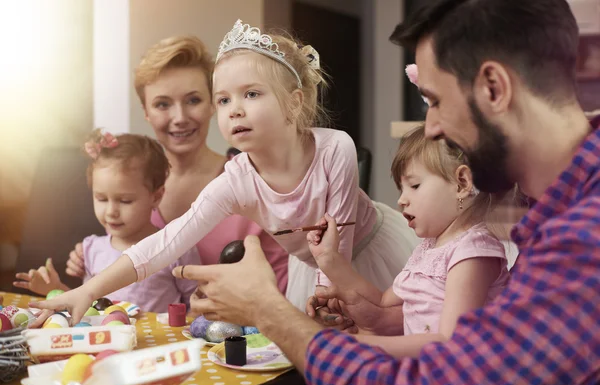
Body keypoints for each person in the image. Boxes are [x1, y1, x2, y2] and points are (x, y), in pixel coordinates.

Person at [162, 1, 600, 385]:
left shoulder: (586, 235)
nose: (430, 128)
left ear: (493, 87)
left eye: (434, 101)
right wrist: (372, 318)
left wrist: (268, 310)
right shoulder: (557, 212)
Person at [31, 19, 419, 321]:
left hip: (367, 256)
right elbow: (164, 243)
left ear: (294, 103)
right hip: (315, 272)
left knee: (397, 336)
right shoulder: (235, 182)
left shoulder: (336, 148)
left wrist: (324, 294)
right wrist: (88, 289)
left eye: (251, 94)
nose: (234, 108)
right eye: (224, 99)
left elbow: (339, 250)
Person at [63, 35, 289, 301]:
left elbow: (283, 291)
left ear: (213, 104)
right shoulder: (129, 184)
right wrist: (87, 258)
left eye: (193, 100)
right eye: (162, 104)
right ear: (146, 111)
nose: (180, 118)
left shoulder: (253, 183)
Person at [305, 126, 510, 356]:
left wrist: (357, 345)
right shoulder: (429, 249)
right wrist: (329, 259)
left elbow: (449, 343)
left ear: (461, 183)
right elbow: (383, 301)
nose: (402, 200)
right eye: (401, 189)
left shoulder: (473, 252)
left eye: (414, 186)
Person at [15, 131, 198, 313]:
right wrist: (54, 289)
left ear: (156, 196)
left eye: (125, 201)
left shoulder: (176, 248)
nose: (111, 212)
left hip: (157, 341)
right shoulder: (90, 249)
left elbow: (197, 305)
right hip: (101, 340)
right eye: (101, 199)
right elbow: (87, 308)